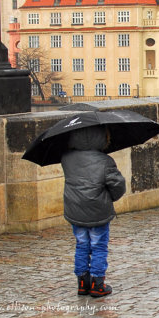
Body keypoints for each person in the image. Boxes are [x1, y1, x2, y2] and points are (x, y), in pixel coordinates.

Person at [61, 125, 126, 297]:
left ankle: (83, 282)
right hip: (98, 211)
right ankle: (98, 284)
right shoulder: (105, 161)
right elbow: (118, 185)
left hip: (75, 209)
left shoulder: (67, 158)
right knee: (98, 246)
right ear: (101, 138)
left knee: (82, 245)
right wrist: (109, 197)